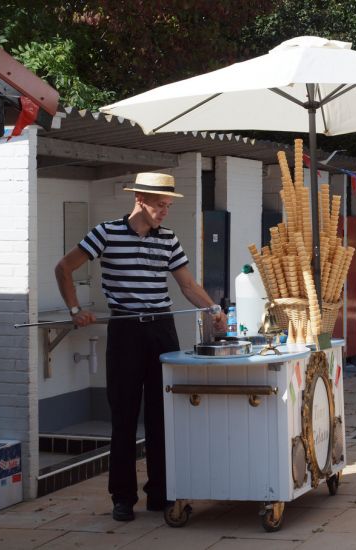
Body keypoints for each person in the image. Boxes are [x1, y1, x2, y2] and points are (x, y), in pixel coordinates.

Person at [54, 172, 226, 522]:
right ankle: (122, 498)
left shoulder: (169, 239)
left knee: (163, 415)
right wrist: (75, 310)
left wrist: (213, 310)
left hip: (162, 329)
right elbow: (64, 268)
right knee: (124, 416)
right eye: (160, 205)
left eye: (168, 206)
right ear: (140, 200)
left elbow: (188, 285)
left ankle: (160, 494)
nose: (165, 211)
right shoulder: (105, 233)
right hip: (126, 329)